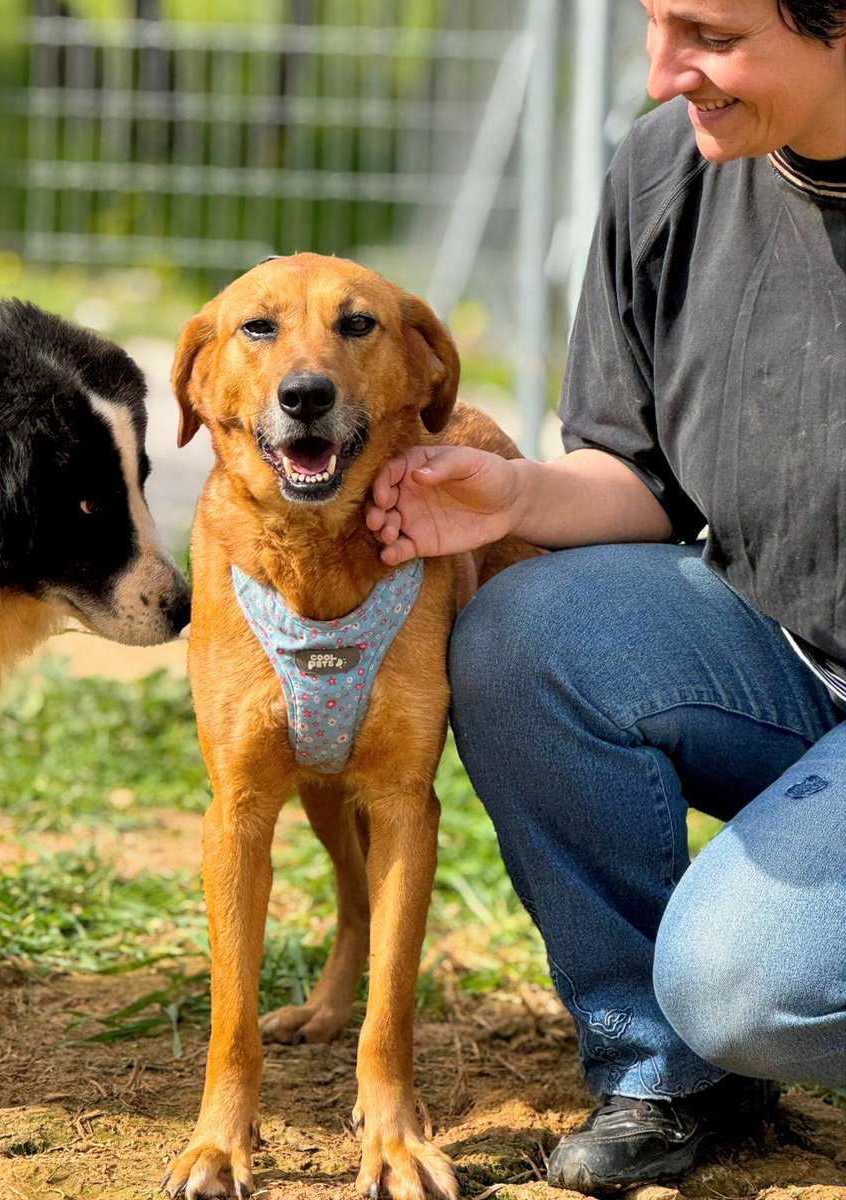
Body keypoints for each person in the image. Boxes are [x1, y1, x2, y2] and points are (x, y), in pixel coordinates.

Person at [365, 1, 846, 1192]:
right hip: (794, 654)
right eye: (652, 20)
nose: (666, 70)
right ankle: (668, 1074)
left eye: (712, 34)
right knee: (526, 635)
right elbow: (641, 474)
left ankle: (723, 1022)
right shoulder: (669, 169)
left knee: (750, 983)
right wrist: (515, 496)